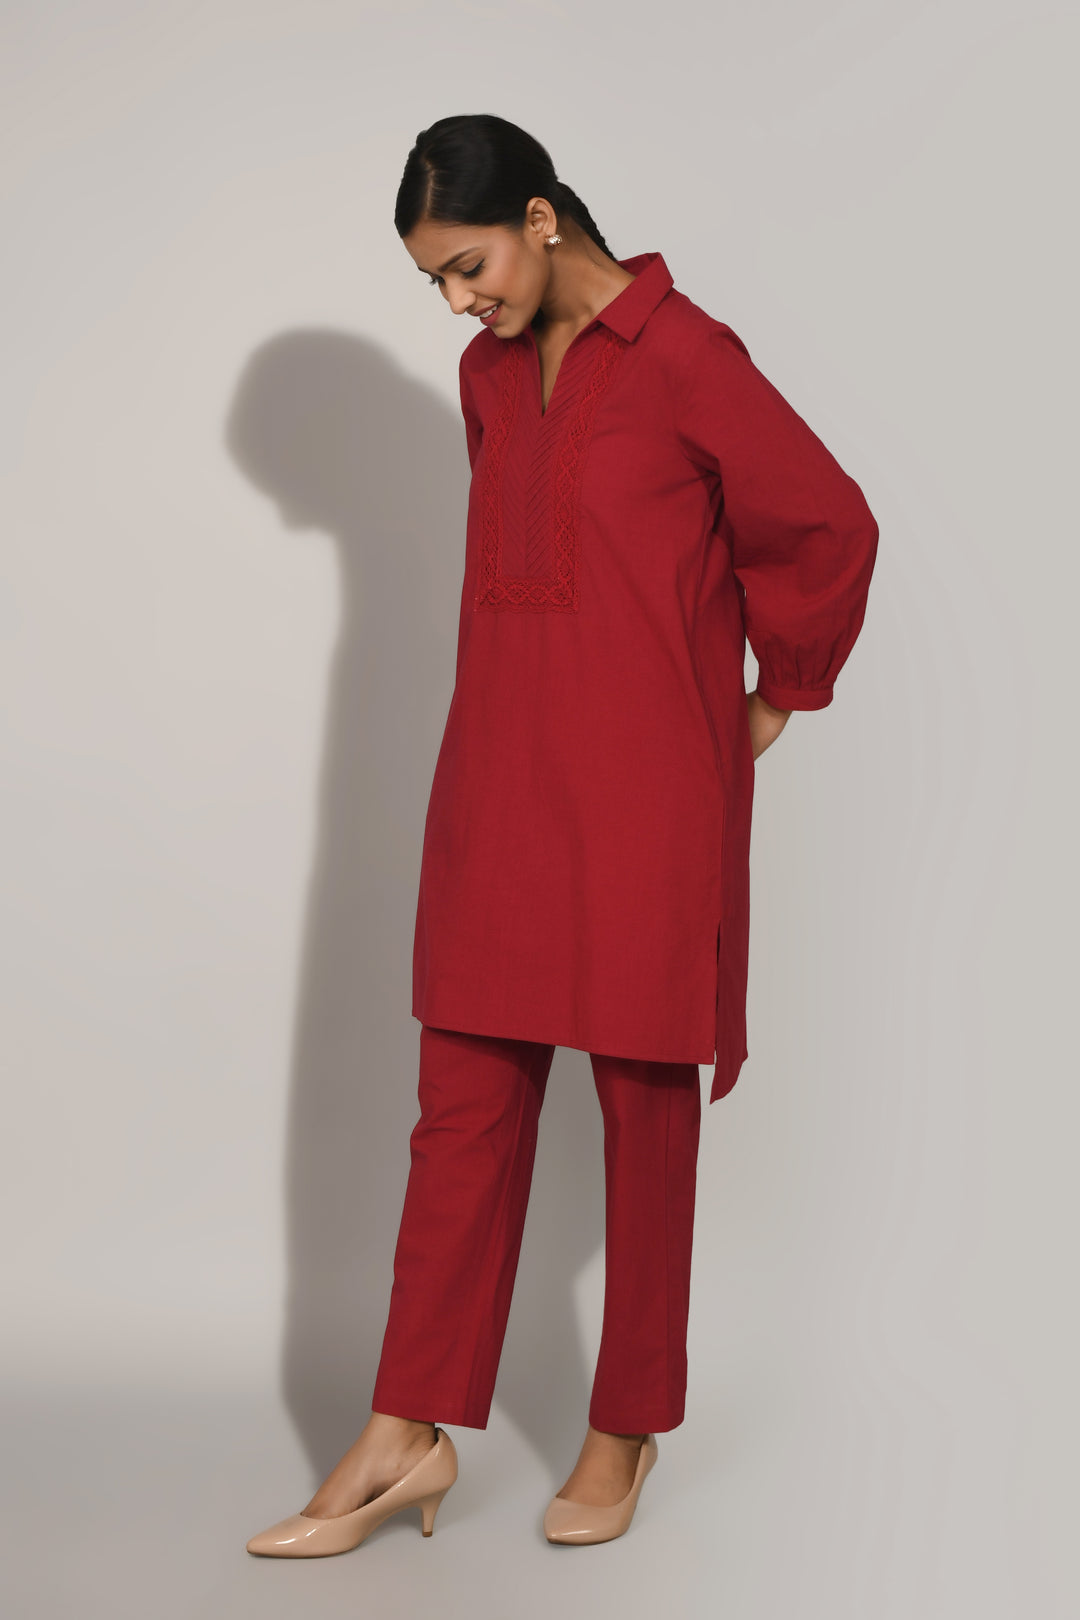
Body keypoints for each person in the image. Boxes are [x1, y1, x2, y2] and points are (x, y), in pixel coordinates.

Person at [246, 113, 879, 1558]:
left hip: (649, 793)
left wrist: (777, 695)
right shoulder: (485, 378)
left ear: (540, 218)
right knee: (463, 1098)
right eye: (434, 282)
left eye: (466, 265)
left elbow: (828, 524)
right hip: (501, 777)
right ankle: (406, 1427)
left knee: (646, 1111)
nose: (456, 301)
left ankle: (627, 1423)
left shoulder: (689, 357)